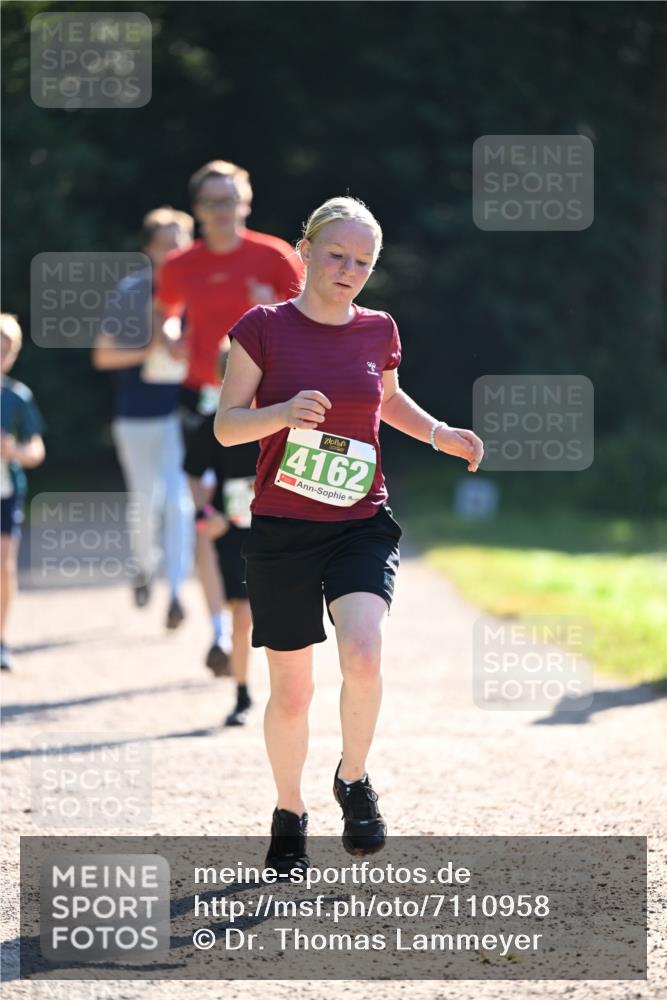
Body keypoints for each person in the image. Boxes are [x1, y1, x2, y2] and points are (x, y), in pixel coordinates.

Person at [214, 196, 484, 873]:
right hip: (281, 529)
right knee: (293, 690)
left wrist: (438, 432)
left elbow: (387, 399)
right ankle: (288, 810)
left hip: (359, 520)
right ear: (304, 251)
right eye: (336, 255)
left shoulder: (378, 330)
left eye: (362, 261)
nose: (348, 270)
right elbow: (225, 425)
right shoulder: (262, 328)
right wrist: (279, 412)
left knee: (363, 652)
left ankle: (354, 777)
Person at [154, 159, 303, 674]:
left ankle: (267, 620)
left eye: (229, 200)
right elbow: (166, 310)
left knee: (268, 507)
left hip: (266, 402)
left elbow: (314, 318)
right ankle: (220, 630)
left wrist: (275, 310)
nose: (220, 211)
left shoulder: (275, 256)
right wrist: (170, 332)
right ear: (197, 209)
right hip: (202, 397)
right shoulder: (179, 264)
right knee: (205, 514)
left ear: (246, 202)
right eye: (211, 202)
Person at [92, 207, 195, 628]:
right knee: (145, 501)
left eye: (180, 242)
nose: (172, 251)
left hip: (182, 416)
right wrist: (149, 350)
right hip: (134, 416)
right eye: (164, 244)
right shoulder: (133, 291)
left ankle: (174, 592)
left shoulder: (198, 289)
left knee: (178, 503)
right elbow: (102, 356)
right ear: (148, 249)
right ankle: (142, 566)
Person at [183, 344, 256, 726]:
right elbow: (194, 475)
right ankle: (243, 694)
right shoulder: (210, 425)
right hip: (233, 526)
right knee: (242, 613)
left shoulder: (284, 418)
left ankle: (292, 697)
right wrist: (204, 513)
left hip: (281, 525)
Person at [1, 313, 46, 671]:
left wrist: (11, 450)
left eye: (4, 352)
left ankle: (1, 641)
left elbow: (36, 451)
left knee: (4, 567)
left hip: (6, 491)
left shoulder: (18, 397)